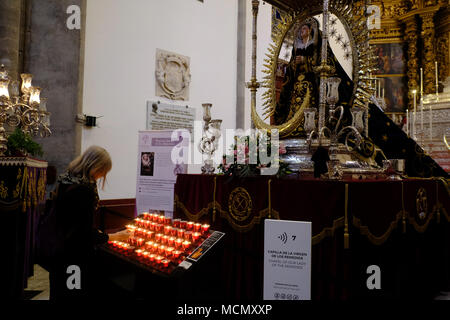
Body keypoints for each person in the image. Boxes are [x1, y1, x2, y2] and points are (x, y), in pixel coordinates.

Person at [49, 145, 115, 300]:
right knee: (74, 292)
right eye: (103, 171)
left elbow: (72, 221)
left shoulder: (66, 180)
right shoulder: (83, 191)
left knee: (60, 291)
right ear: (96, 166)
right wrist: (113, 237)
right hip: (74, 256)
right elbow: (82, 234)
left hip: (59, 250)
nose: (102, 175)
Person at [275, 17, 353, 135]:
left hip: (312, 83)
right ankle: (294, 126)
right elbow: (291, 66)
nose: (302, 31)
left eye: (304, 28)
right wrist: (294, 64)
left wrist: (305, 61)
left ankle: (312, 127)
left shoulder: (319, 42)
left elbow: (324, 63)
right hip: (297, 83)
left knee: (310, 103)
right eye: (300, 29)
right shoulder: (297, 46)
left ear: (311, 29)